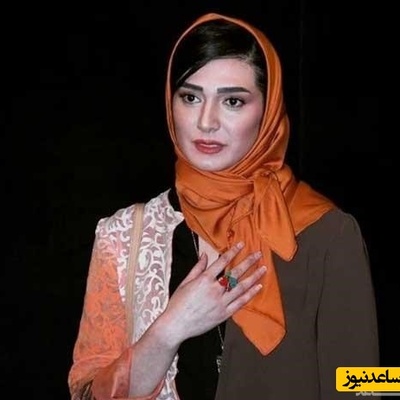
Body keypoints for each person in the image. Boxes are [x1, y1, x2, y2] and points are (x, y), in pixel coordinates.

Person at [68, 12, 380, 400]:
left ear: (268, 111)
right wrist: (169, 329)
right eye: (190, 97)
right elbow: (84, 392)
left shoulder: (326, 231)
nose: (206, 121)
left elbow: (370, 382)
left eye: (233, 101)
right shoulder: (122, 235)